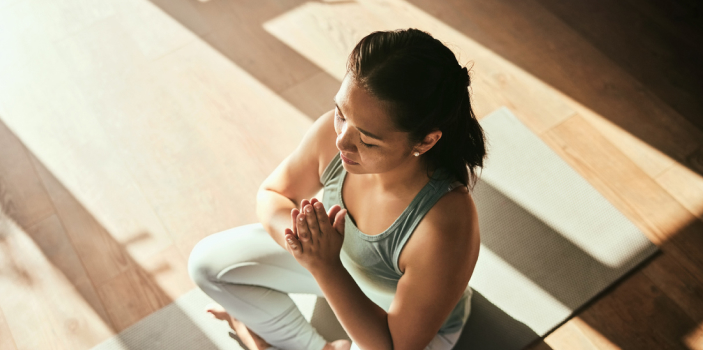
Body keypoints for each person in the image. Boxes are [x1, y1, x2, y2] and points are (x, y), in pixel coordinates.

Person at [188, 28, 486, 350]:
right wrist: (308, 248)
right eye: (341, 115)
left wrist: (325, 266)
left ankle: (259, 334)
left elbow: (393, 347)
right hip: (335, 265)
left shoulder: (446, 223)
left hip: (398, 326)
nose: (342, 140)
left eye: (368, 140)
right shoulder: (339, 137)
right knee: (207, 264)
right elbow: (273, 194)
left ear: (425, 141)